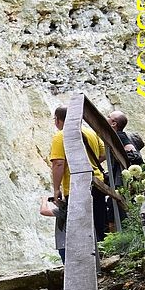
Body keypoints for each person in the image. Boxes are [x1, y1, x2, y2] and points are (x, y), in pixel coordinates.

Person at [49, 104, 106, 245]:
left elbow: (58, 164)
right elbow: (103, 154)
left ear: (58, 120)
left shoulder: (60, 136)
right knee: (99, 221)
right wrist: (89, 163)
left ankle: (89, 256)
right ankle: (104, 250)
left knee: (82, 227)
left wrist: (56, 189)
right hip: (97, 182)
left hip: (76, 186)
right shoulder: (91, 133)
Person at [40, 196, 66, 262]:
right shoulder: (70, 209)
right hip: (69, 244)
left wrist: (44, 201)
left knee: (67, 264)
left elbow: (43, 211)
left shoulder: (61, 211)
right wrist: (56, 202)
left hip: (64, 245)